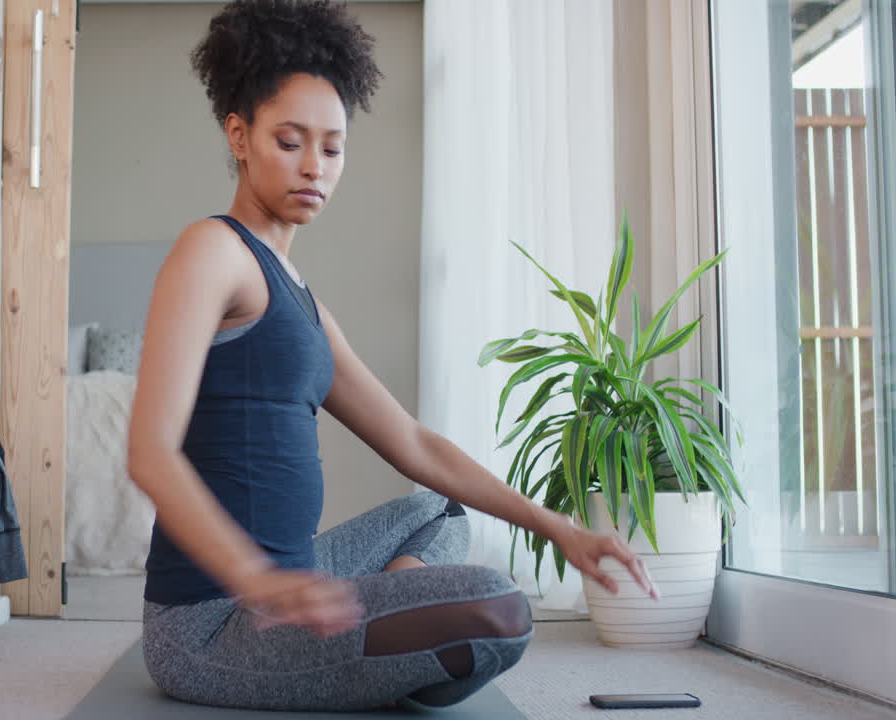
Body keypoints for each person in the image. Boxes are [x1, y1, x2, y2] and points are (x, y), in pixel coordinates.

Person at [126, 0, 657, 711]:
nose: (314, 166)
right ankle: (377, 643)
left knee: (440, 515)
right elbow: (150, 453)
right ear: (239, 135)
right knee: (499, 608)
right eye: (290, 141)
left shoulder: (304, 301)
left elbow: (413, 443)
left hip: (298, 578)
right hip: (212, 623)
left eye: (333, 148)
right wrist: (257, 581)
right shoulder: (212, 250)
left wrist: (562, 529)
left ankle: (374, 633)